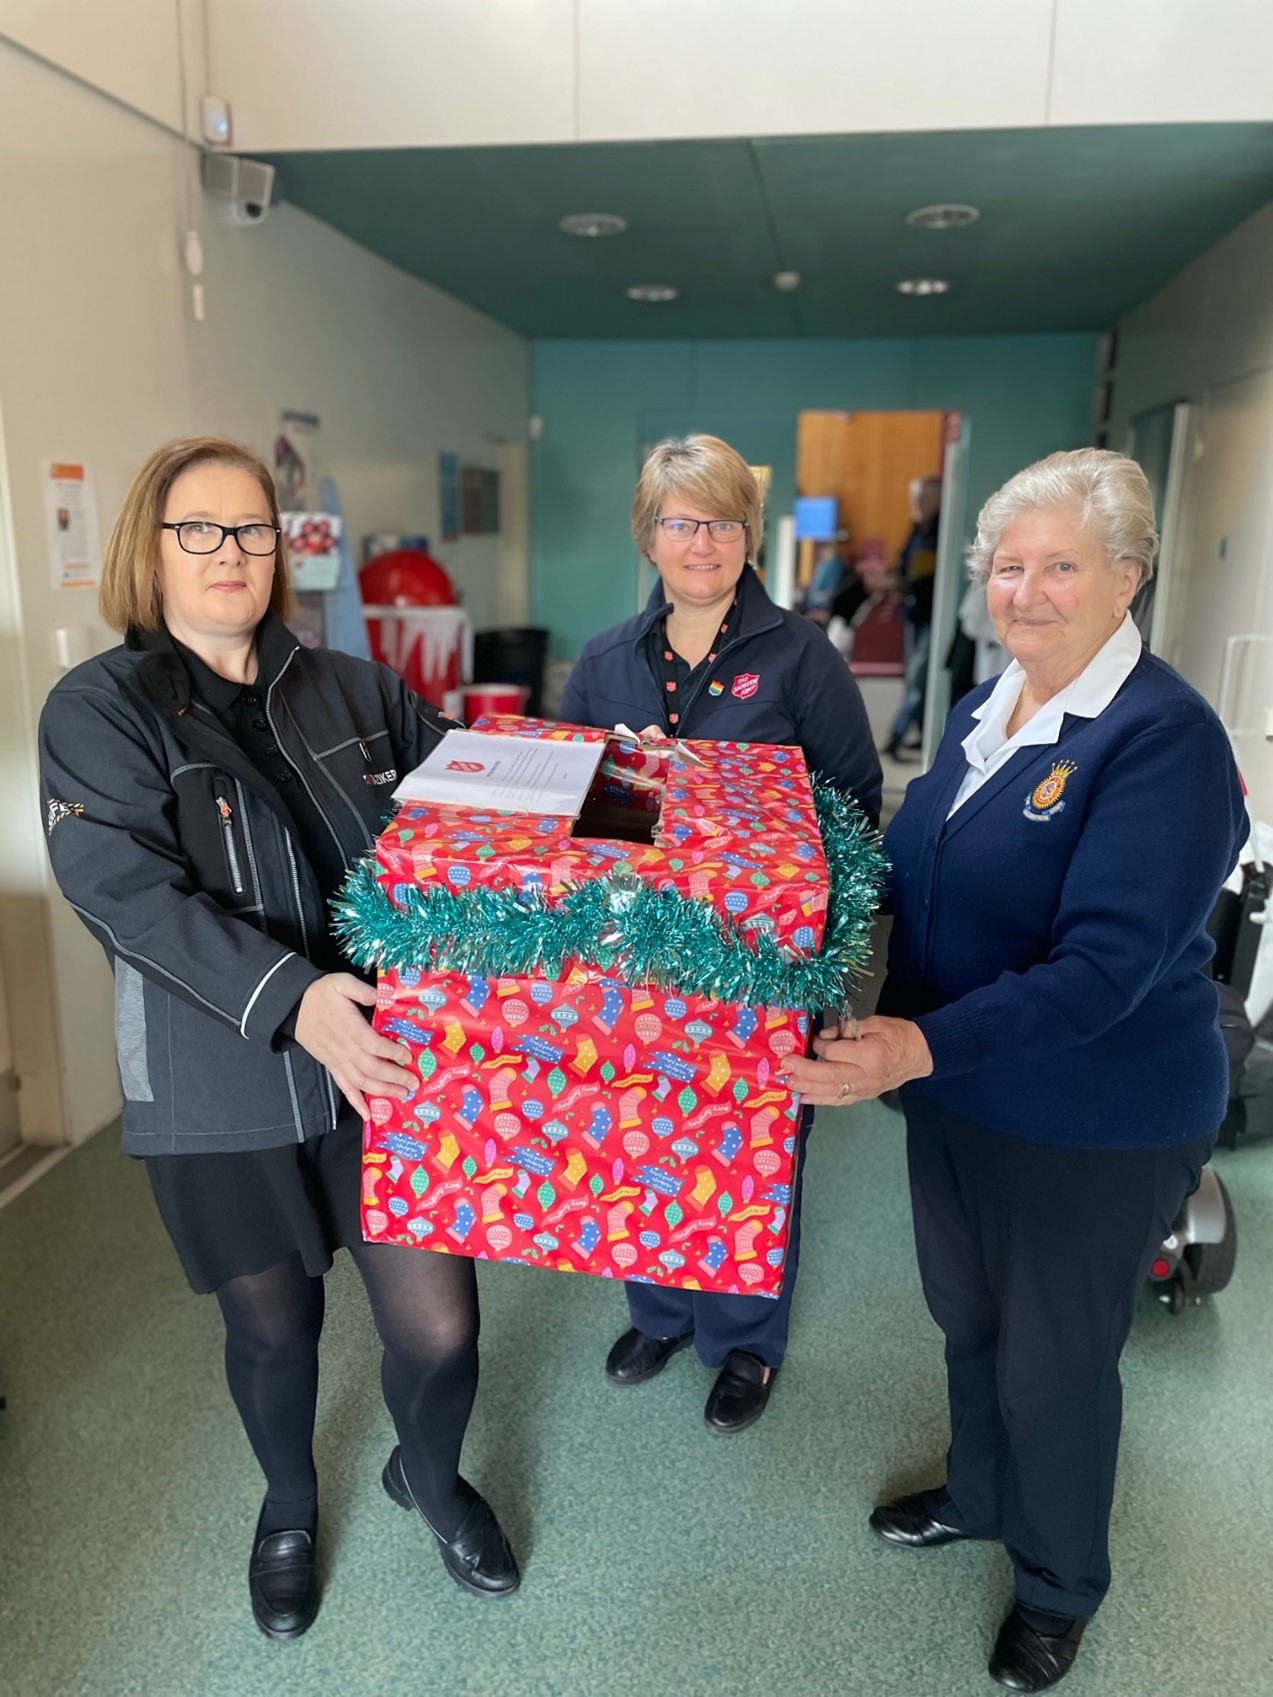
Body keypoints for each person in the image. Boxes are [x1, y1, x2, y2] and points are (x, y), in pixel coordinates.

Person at [38, 438, 520, 1641]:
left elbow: (477, 796)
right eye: (197, 529)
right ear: (146, 550)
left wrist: (608, 788)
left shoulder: (352, 686)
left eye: (252, 529)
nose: (230, 553)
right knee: (270, 1323)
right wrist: (295, 996)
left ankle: (432, 1472)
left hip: (385, 1064)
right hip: (220, 1077)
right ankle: (291, 1505)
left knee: (440, 1321)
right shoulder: (96, 709)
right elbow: (126, 894)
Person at [782, 449, 1246, 1692]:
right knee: (970, 1319)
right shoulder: (1000, 703)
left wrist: (915, 1040)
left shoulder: (1162, 742)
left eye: (1060, 566)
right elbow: (920, 868)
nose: (1024, 591)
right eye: (1007, 565)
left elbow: (1102, 968)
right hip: (965, 1094)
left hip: (1091, 1115)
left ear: (1127, 578)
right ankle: (981, 1493)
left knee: (1054, 1360)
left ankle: (1056, 1583)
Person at [559, 433, 881, 1433]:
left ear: (749, 534)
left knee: (754, 1150)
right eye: (680, 520)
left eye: (722, 520)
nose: (702, 540)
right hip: (643, 966)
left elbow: (854, 807)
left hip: (761, 964)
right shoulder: (605, 661)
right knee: (640, 1132)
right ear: (648, 536)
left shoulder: (800, 657)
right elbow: (578, 823)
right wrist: (635, 788)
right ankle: (656, 1311)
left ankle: (745, 1340)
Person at [882, 474, 942, 759]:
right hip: (913, 612)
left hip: (934, 615)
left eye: (922, 499)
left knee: (919, 677)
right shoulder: (919, 528)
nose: (917, 504)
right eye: (915, 499)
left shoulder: (943, 529)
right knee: (915, 676)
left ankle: (896, 736)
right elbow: (905, 561)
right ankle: (919, 730)